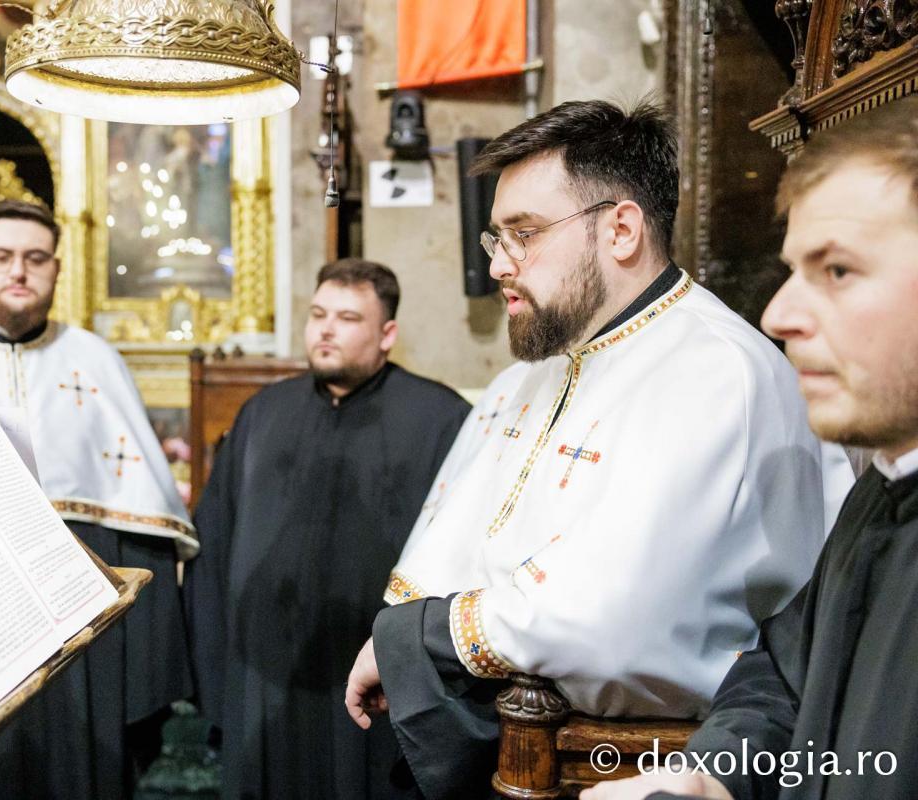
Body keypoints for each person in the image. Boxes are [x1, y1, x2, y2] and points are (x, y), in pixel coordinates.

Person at [344, 100, 854, 800]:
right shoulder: (539, 369)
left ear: (621, 229)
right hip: (513, 734)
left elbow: (605, 611)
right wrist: (406, 644)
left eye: (524, 234)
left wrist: (418, 639)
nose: (499, 266)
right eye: (496, 239)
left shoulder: (713, 370)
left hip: (638, 763)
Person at [580, 97, 918, 800]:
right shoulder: (881, 487)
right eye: (793, 270)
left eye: (838, 271)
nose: (778, 314)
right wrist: (713, 777)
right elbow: (785, 676)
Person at [0, 199, 197, 800]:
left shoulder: (95, 361)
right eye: (1, 256)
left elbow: (147, 527)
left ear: (56, 267)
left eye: (35, 258)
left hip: (82, 621)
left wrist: (146, 666)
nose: (19, 271)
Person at [185, 258, 471, 800]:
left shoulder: (441, 418)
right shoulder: (262, 413)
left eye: (347, 318)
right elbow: (215, 545)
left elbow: (461, 557)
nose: (326, 329)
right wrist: (216, 676)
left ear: (387, 334)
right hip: (267, 676)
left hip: (376, 682)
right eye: (318, 314)